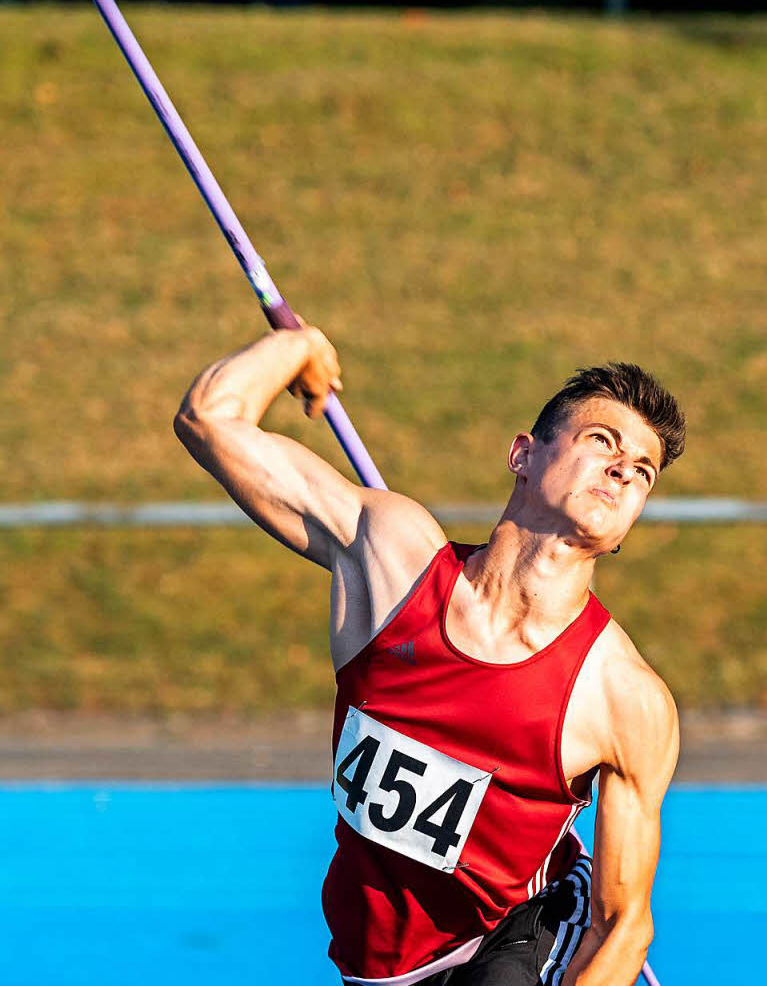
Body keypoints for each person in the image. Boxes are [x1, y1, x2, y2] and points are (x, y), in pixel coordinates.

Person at [174, 324, 685, 986]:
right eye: (600, 443)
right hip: (378, 957)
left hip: (518, 931)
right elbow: (209, 420)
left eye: (640, 471)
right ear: (522, 455)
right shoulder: (393, 564)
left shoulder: (621, 697)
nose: (622, 470)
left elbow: (621, 926)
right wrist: (299, 349)